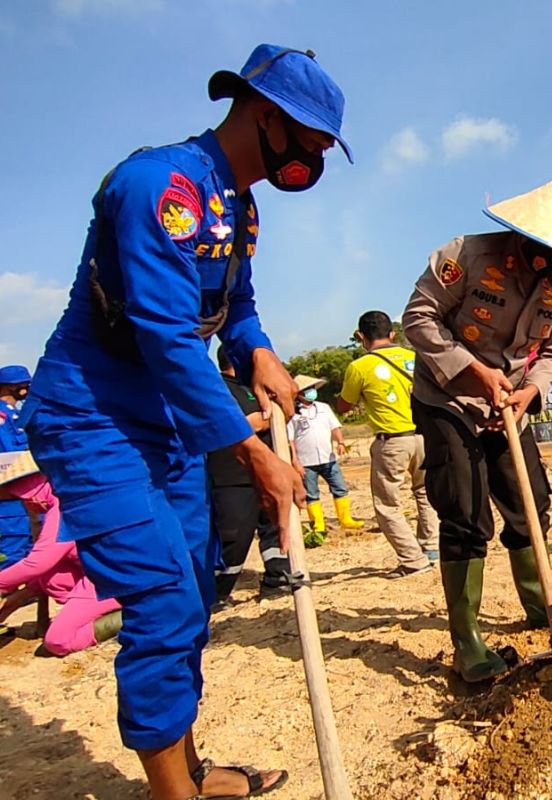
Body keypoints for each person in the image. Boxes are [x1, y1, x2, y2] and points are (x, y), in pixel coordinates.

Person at [20, 44, 350, 800]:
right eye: (311, 146)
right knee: (162, 592)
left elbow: (236, 309)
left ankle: (192, 773)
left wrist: (259, 352)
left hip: (163, 420)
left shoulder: (239, 206)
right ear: (269, 118)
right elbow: (166, 334)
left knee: (192, 588)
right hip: (92, 415)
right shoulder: (155, 186)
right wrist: (250, 452)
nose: (311, 165)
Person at [402, 175, 552, 682]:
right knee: (467, 515)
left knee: (530, 502)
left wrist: (528, 392)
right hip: (448, 398)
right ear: (521, 233)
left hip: (508, 407)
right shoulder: (466, 256)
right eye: (542, 248)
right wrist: (472, 369)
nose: (548, 261)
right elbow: (417, 319)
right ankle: (466, 640)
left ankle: (543, 609)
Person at [337, 311, 438, 574]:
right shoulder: (415, 357)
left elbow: (344, 406)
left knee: (387, 505)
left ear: (361, 336)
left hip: (392, 441)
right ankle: (431, 547)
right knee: (426, 493)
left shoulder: (359, 367)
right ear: (393, 334)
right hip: (425, 437)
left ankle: (413, 560)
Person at [0, 476, 123, 656]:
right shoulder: (62, 501)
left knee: (58, 641)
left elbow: (37, 563)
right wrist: (17, 599)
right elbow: (45, 568)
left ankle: (133, 615)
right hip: (100, 570)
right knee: (52, 575)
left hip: (114, 575)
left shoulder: (63, 510)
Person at [208, 346, 292, 607]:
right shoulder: (216, 389)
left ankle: (278, 578)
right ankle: (215, 595)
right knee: (234, 537)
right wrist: (251, 423)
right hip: (232, 475)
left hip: (270, 471)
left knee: (275, 527)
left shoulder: (257, 388)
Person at [290, 374, 362, 536]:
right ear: (299, 393)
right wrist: (295, 461)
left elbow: (334, 427)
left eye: (312, 389)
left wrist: (340, 442)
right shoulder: (292, 414)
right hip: (306, 461)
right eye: (307, 390)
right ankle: (318, 525)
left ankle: (345, 519)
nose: (311, 392)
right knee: (311, 494)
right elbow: (290, 440)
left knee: (340, 488)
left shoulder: (323, 407)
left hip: (328, 458)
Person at [0, 365, 33, 570]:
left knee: (29, 551)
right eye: (23, 384)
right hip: (11, 494)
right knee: (13, 552)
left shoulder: (16, 414)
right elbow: (7, 455)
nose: (27, 388)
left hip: (29, 493)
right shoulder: (2, 417)